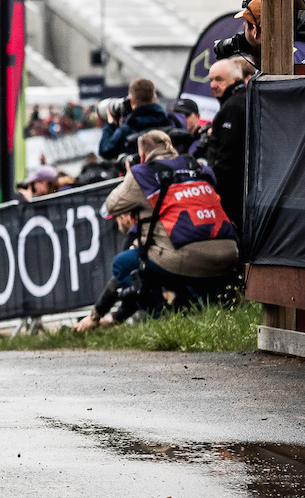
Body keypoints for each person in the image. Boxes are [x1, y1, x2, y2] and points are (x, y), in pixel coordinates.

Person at [98, 129, 238, 317]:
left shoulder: (143, 173)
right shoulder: (197, 167)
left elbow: (109, 207)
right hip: (229, 253)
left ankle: (165, 318)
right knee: (201, 284)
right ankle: (210, 311)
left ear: (142, 154)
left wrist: (130, 176)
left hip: (184, 258)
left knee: (122, 264)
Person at [202, 56, 252, 234]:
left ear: (235, 80)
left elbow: (227, 156)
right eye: (210, 80)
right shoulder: (239, 101)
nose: (213, 85)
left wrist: (215, 190)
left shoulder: (234, 106)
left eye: (219, 79)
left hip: (230, 197)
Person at [97, 78, 175, 160]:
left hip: (136, 171)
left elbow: (105, 150)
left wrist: (111, 124)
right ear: (154, 98)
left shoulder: (127, 129)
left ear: (132, 102)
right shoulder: (170, 121)